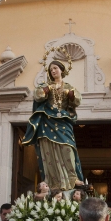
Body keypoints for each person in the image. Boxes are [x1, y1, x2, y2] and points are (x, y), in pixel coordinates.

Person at [22, 59, 84, 191]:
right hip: (48, 121)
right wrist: (48, 88)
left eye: (55, 68)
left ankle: (72, 177)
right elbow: (38, 96)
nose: (53, 71)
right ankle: (52, 180)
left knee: (68, 148)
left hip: (63, 121)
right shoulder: (46, 85)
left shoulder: (69, 87)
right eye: (51, 70)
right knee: (48, 150)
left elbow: (78, 100)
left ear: (61, 69)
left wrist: (69, 93)